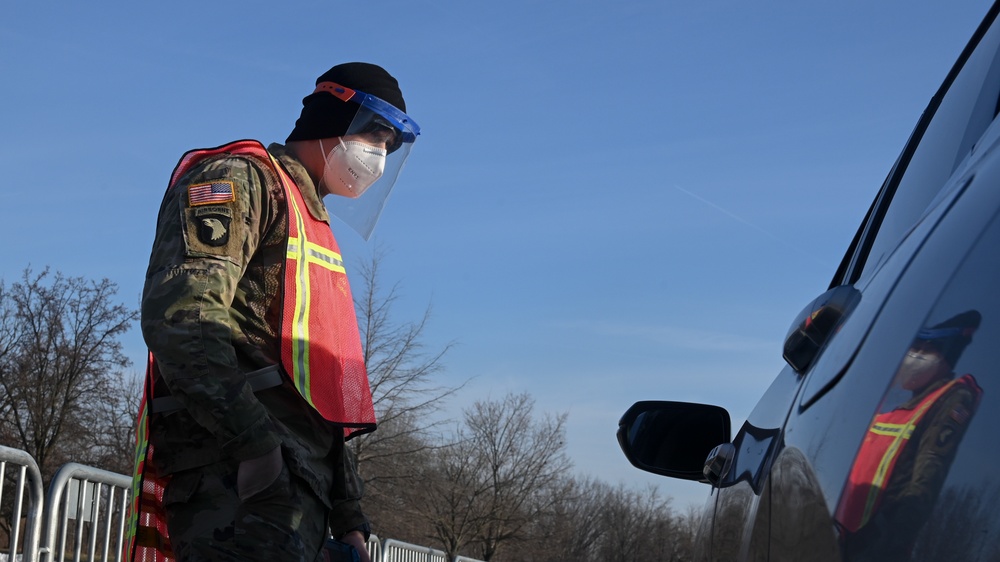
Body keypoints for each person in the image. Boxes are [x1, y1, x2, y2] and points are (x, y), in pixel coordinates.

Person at [125, 62, 420, 562]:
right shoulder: (242, 180)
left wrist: (347, 513)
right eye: (376, 134)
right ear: (333, 117)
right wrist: (255, 447)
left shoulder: (311, 222)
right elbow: (184, 319)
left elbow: (319, 391)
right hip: (236, 481)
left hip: (295, 494)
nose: (380, 155)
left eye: (390, 146)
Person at [835, 310, 984, 561]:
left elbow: (924, 485)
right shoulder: (898, 406)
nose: (913, 356)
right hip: (846, 539)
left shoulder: (951, 400)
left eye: (926, 350)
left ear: (946, 355)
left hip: (877, 547)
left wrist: (882, 549)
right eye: (914, 347)